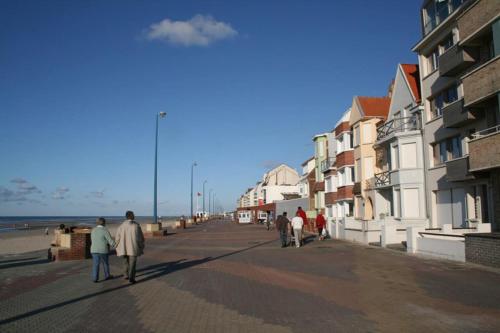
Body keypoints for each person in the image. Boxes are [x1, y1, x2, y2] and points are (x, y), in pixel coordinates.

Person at [115, 211, 145, 284]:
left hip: (123, 247)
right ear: (132, 216)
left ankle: (125, 275)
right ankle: (131, 278)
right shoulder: (136, 226)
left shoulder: (121, 226)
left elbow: (117, 238)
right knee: (132, 264)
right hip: (133, 247)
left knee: (125, 262)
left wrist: (116, 247)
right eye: (134, 214)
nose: (135, 215)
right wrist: (141, 246)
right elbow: (140, 238)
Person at [90, 217, 116, 283]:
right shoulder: (105, 230)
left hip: (94, 249)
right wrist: (116, 245)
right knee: (105, 263)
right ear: (104, 223)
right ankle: (107, 275)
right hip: (103, 250)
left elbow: (92, 240)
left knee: (96, 264)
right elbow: (110, 241)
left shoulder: (93, 230)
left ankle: (95, 278)